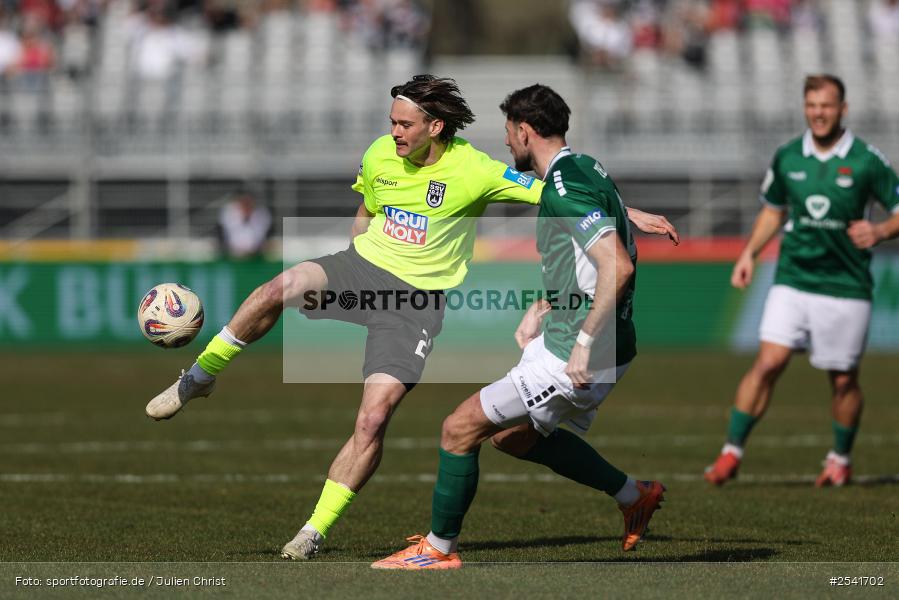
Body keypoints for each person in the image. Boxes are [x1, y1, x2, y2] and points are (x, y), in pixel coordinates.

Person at [145, 74, 677, 560]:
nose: (393, 133)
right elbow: (367, 211)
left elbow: (558, 192)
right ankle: (199, 377)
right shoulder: (380, 154)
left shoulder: (476, 170)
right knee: (279, 287)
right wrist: (348, 265)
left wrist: (624, 212)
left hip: (413, 307)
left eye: (404, 124)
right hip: (361, 271)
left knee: (374, 418)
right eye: (391, 123)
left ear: (435, 125)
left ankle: (313, 531)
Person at [371, 84, 671, 570]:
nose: (508, 144)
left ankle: (438, 548)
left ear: (525, 131)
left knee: (457, 428)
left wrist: (583, 344)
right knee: (511, 437)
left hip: (579, 348)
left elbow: (617, 266)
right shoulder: (586, 167)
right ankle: (633, 495)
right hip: (587, 337)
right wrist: (545, 303)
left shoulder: (564, 184)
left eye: (510, 134)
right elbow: (589, 259)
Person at [704, 74, 899, 487]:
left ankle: (840, 458)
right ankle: (730, 452)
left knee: (844, 379)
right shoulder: (788, 156)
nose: (818, 113)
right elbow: (773, 211)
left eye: (826, 105)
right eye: (811, 105)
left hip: (846, 285)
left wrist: (880, 231)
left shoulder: (866, 160)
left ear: (842, 109)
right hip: (793, 278)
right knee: (769, 361)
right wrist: (749, 253)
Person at [217, 188, 272, 259]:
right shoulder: (228, 212)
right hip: (232, 254)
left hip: (256, 255)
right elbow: (224, 233)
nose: (246, 206)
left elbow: (262, 237)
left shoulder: (262, 214)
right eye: (244, 203)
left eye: (248, 203)